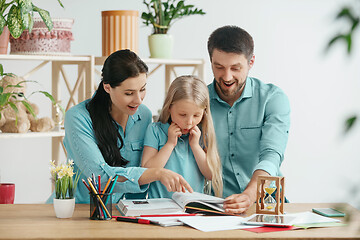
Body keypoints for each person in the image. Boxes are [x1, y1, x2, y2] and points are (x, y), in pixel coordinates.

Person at [50, 50, 192, 203]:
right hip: (80, 211)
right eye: (129, 93)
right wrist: (156, 173)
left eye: (142, 89)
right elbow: (100, 178)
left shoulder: (144, 115)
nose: (138, 100)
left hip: (124, 213)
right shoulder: (78, 118)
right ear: (107, 87)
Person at [207, 26, 291, 213]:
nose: (227, 77)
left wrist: (250, 194)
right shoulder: (198, 102)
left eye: (235, 68)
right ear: (211, 61)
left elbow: (272, 153)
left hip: (266, 204)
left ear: (251, 61)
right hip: (218, 207)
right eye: (219, 67)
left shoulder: (272, 98)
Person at [141, 75, 223, 198]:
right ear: (169, 108)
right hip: (159, 207)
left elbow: (211, 175)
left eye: (196, 115)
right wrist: (169, 144)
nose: (189, 122)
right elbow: (147, 171)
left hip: (192, 208)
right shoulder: (155, 130)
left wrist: (195, 146)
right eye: (183, 114)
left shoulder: (202, 133)